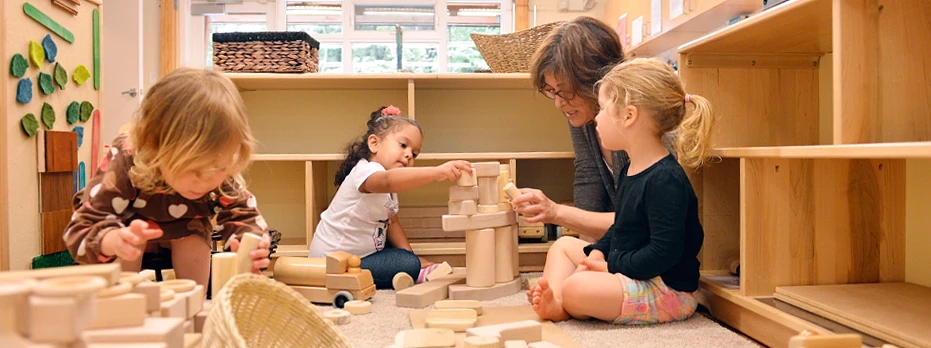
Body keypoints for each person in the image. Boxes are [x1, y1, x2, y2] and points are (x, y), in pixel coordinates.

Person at [529, 58, 713, 325]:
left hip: (665, 289)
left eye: (603, 109)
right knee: (563, 246)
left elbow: (663, 253)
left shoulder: (665, 179)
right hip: (632, 271)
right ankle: (556, 303)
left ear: (629, 116)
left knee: (577, 287)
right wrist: (598, 252)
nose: (597, 118)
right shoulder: (629, 169)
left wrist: (609, 266)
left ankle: (566, 299)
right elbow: (621, 227)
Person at [64, 68, 272, 288]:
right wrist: (113, 241)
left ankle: (192, 305)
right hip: (127, 224)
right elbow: (80, 230)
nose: (206, 181)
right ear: (155, 147)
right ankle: (123, 303)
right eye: (192, 169)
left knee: (193, 240)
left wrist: (252, 245)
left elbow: (245, 215)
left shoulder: (216, 168)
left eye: (219, 168)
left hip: (185, 225)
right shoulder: (127, 159)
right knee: (128, 246)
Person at [308, 106, 472, 289]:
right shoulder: (367, 171)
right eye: (403, 145)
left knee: (406, 260)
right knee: (406, 264)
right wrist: (436, 172)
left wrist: (411, 256)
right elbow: (386, 181)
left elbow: (392, 222)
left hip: (360, 256)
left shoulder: (390, 188)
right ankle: (409, 270)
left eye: (415, 153)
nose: (409, 154)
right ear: (374, 143)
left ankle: (411, 267)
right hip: (331, 263)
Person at [512, 16, 632, 243]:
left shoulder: (637, 123)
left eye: (565, 91)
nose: (559, 103)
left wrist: (557, 212)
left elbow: (644, 223)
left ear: (596, 80)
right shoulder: (583, 112)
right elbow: (589, 177)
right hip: (620, 241)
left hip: (645, 253)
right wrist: (585, 254)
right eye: (553, 91)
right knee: (567, 250)